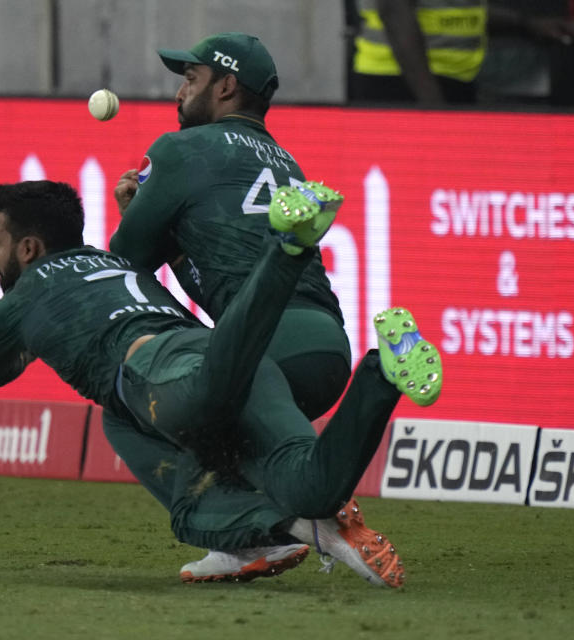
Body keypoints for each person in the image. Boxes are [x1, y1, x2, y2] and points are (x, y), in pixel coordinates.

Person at [0, 179, 443, 588]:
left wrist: (18, 328)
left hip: (159, 374)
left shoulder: (16, 302)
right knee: (310, 485)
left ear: (29, 249)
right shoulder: (117, 263)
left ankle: (286, 248)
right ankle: (381, 373)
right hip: (216, 350)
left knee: (191, 508)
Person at [106, 32, 357, 581]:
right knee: (228, 427)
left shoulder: (180, 149)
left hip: (265, 350)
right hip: (327, 348)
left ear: (224, 86)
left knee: (131, 403)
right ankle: (296, 500)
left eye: (190, 78)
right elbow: (220, 268)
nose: (179, 91)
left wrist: (135, 213)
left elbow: (126, 265)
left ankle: (265, 529)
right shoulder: (286, 161)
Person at [349, 0, 574, 104]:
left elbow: (460, 13)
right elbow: (394, 11)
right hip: (399, 86)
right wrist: (433, 107)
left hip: (449, 84)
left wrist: (528, 25)